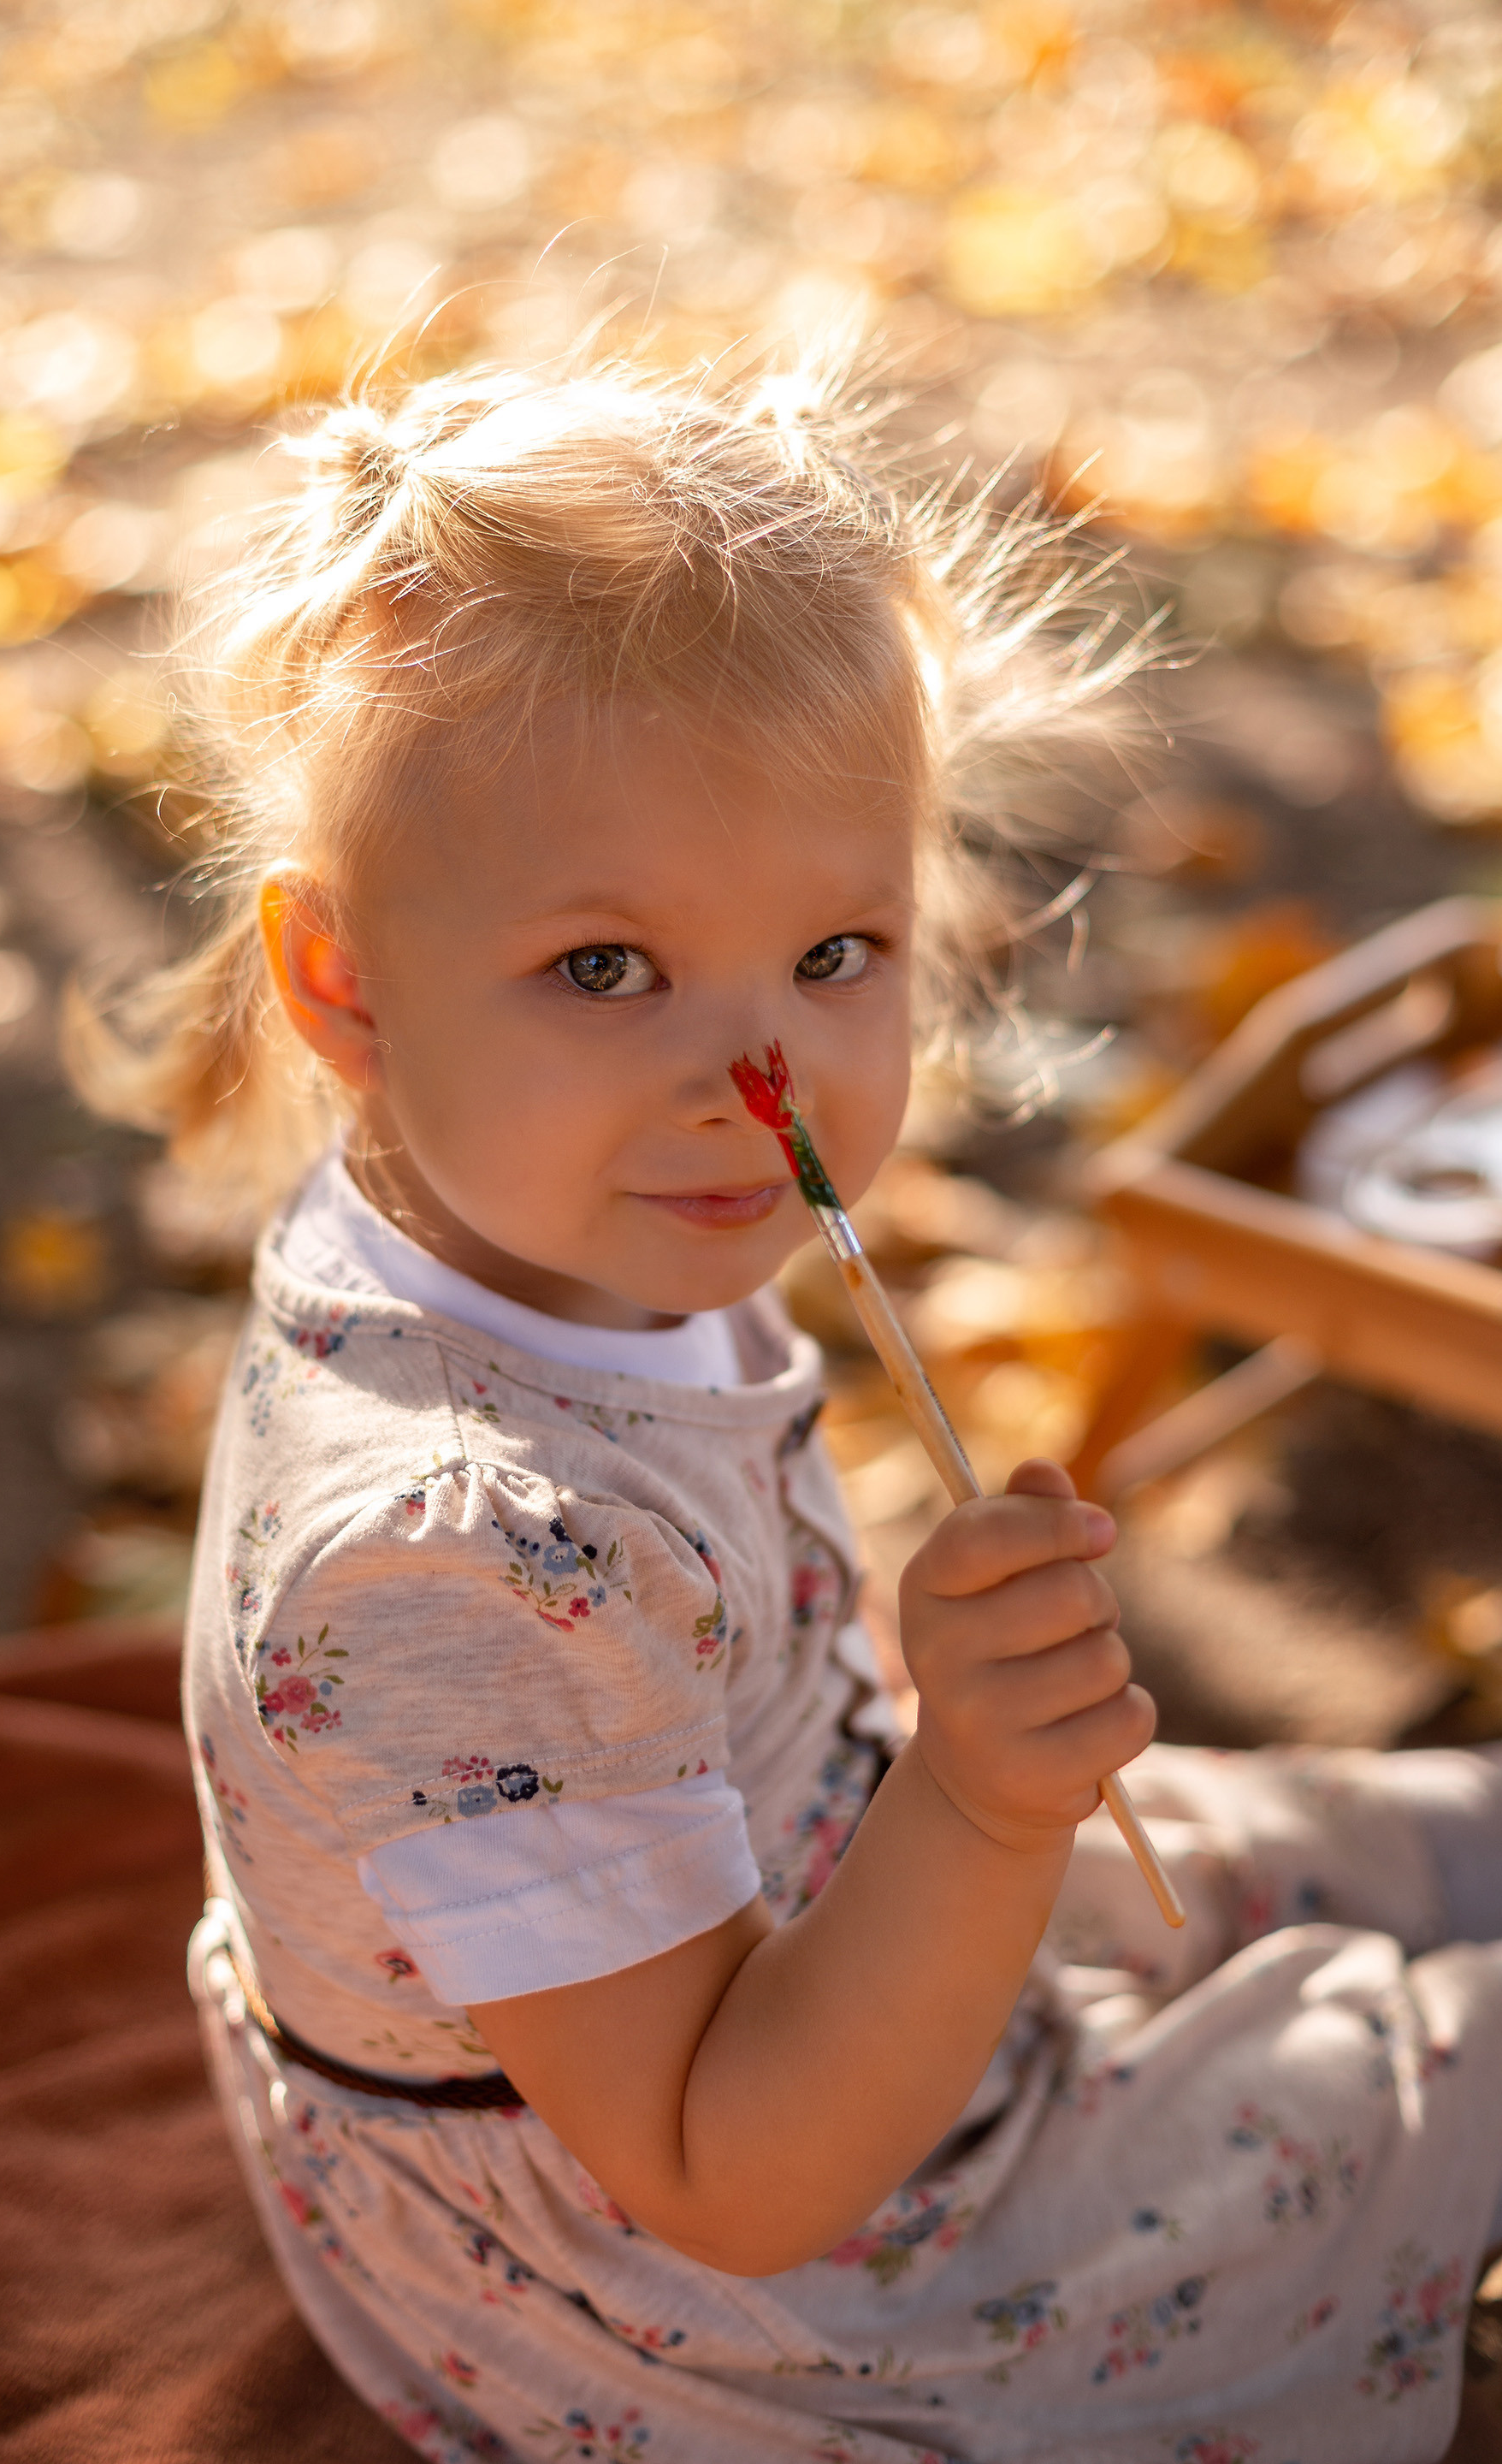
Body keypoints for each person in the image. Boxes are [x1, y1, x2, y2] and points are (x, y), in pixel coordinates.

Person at [77, 358, 1502, 2463]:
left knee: (1397, 1847)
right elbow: (731, 2173)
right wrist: (982, 1809)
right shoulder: (448, 1567)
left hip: (813, 1882)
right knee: (1432, 2080)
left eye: (838, 949)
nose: (762, 1082)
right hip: (759, 2284)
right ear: (342, 980)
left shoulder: (514, 1200)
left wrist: (950, 1806)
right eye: (605, 969)